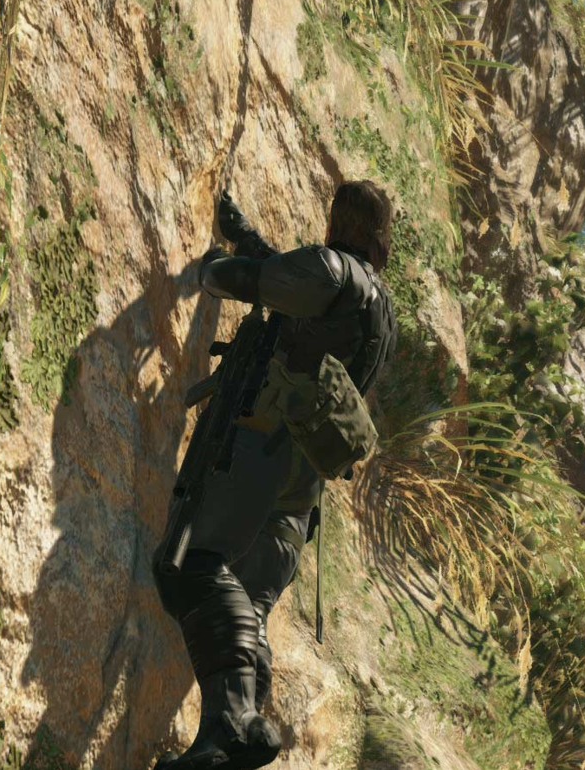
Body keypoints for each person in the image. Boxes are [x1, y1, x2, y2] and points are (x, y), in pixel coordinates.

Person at [153, 181, 397, 770]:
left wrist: (214, 269)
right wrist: (245, 235)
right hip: (302, 487)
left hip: (262, 446)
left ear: (338, 223)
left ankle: (234, 723)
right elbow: (295, 295)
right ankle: (224, 740)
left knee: (191, 563)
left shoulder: (332, 271)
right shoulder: (381, 311)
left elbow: (257, 282)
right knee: (250, 601)